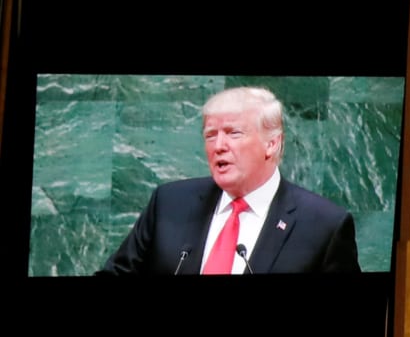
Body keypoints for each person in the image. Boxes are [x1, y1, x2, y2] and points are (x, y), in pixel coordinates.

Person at [99, 86, 361, 274]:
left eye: (233, 133)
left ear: (272, 143)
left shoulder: (324, 225)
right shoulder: (169, 202)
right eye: (210, 135)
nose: (219, 146)